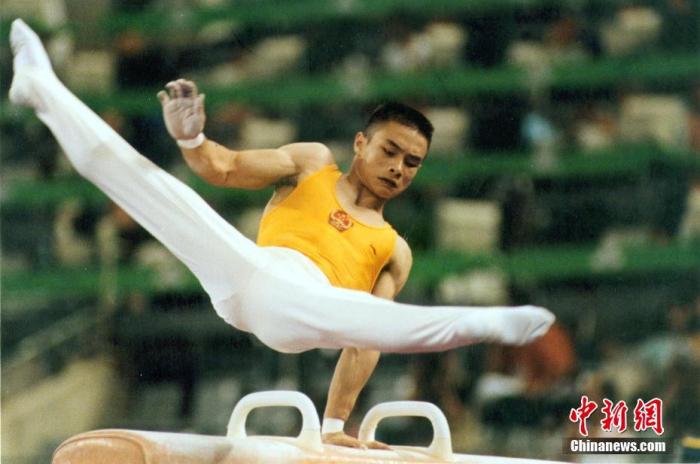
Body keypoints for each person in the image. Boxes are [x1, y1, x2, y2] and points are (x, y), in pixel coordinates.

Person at [8, 19, 555, 449]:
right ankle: (40, 87)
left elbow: (365, 340)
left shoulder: (393, 248)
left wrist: (334, 424)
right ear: (360, 143)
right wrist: (193, 139)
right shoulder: (311, 162)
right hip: (246, 272)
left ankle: (484, 323)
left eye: (412, 162)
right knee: (148, 185)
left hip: (303, 310)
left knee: (382, 321)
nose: (399, 168)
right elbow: (223, 168)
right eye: (390, 151)